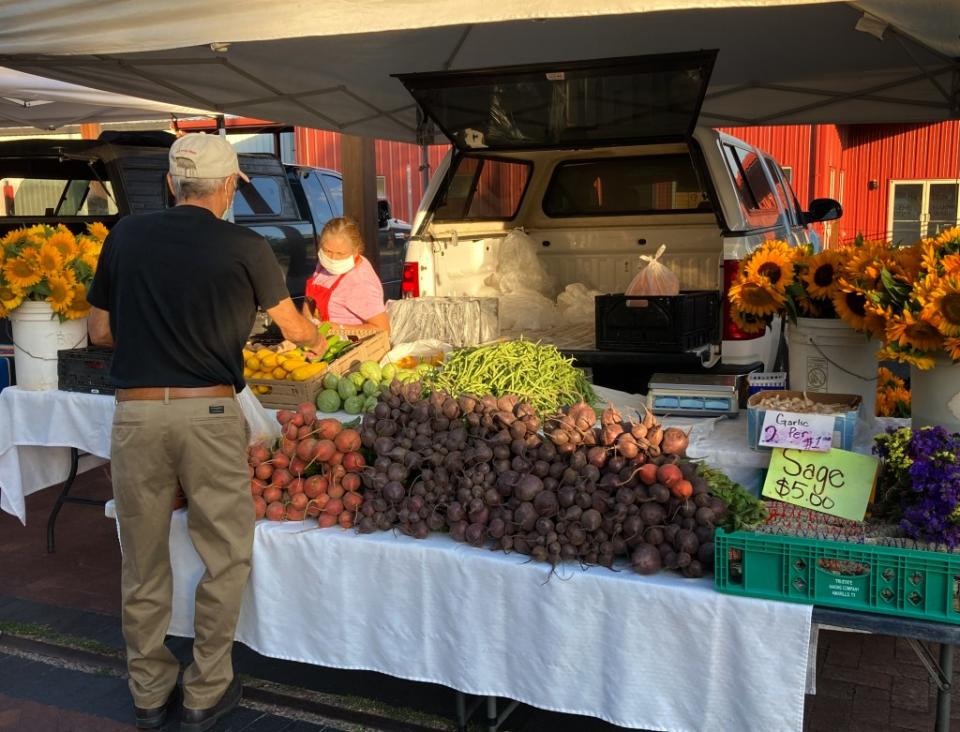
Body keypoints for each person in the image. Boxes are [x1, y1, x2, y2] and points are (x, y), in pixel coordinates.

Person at [87, 133, 327, 732]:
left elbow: (97, 332)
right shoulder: (246, 244)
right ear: (227, 187)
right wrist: (315, 338)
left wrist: (151, 336)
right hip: (211, 415)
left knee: (141, 560)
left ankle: (148, 691)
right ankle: (205, 688)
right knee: (225, 554)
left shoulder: (124, 237)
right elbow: (294, 330)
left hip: (137, 414)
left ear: (171, 183)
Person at [303, 217, 390, 333]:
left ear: (355, 252)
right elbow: (309, 300)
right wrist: (307, 320)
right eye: (327, 251)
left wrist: (336, 328)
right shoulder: (324, 263)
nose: (332, 258)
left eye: (340, 253)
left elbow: (383, 330)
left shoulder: (360, 283)